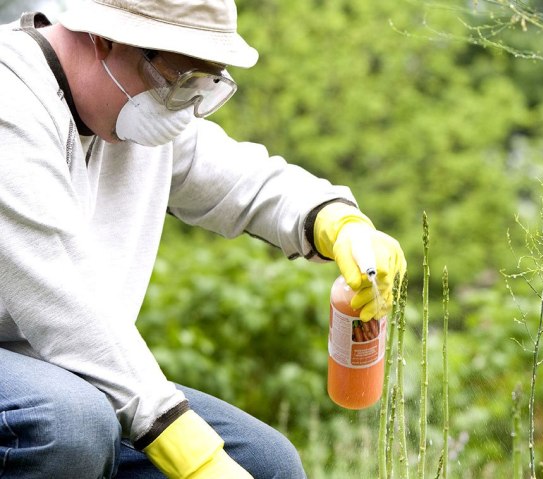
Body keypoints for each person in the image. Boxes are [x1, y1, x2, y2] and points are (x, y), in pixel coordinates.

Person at [0, 0, 406, 477]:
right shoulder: (11, 101)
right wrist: (192, 455)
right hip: (48, 381)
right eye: (177, 82)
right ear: (104, 38)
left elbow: (239, 179)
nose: (183, 106)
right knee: (68, 424)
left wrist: (335, 221)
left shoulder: (131, 118)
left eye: (202, 86)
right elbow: (65, 304)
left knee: (266, 462)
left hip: (70, 374)